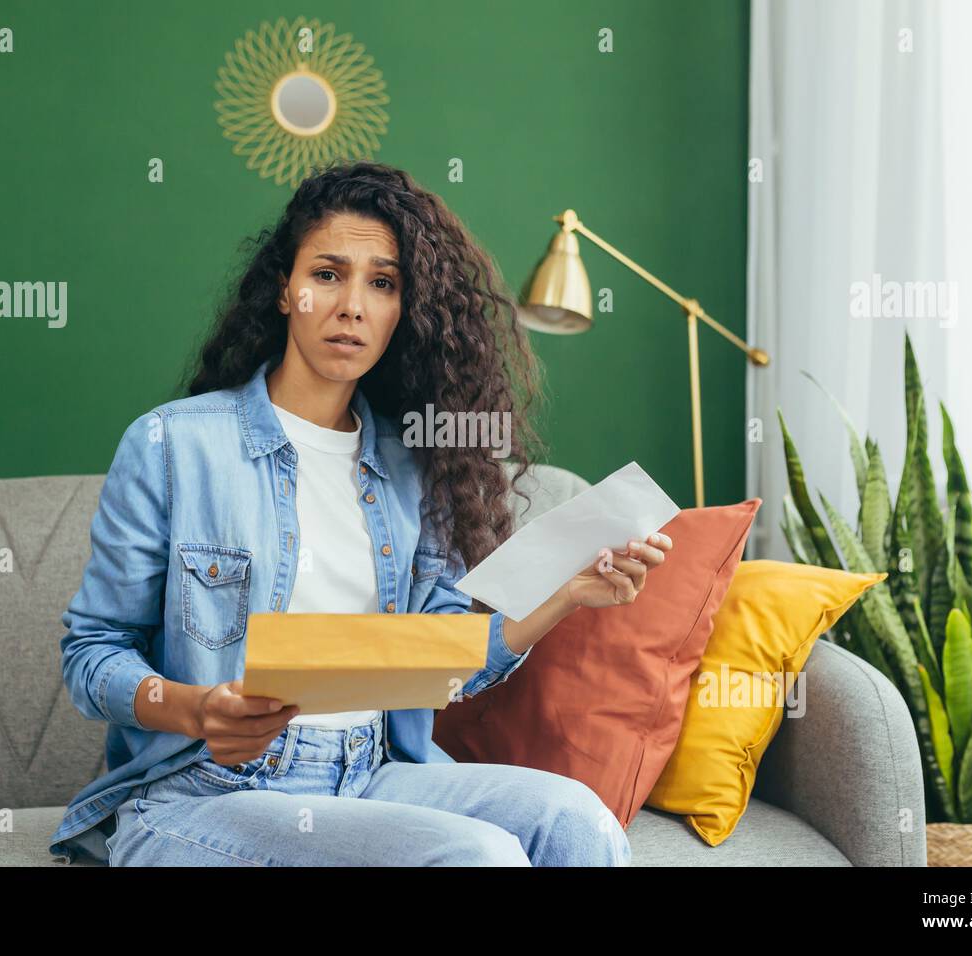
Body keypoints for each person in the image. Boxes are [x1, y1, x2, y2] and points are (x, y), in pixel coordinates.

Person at [47, 160, 672, 867]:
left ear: (403, 309)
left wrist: (567, 595)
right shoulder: (173, 445)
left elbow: (443, 660)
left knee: (578, 822)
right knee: (480, 857)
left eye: (382, 283)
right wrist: (196, 709)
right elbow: (92, 654)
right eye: (326, 275)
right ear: (285, 290)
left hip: (370, 773)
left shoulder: (415, 465)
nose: (352, 305)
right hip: (205, 793)